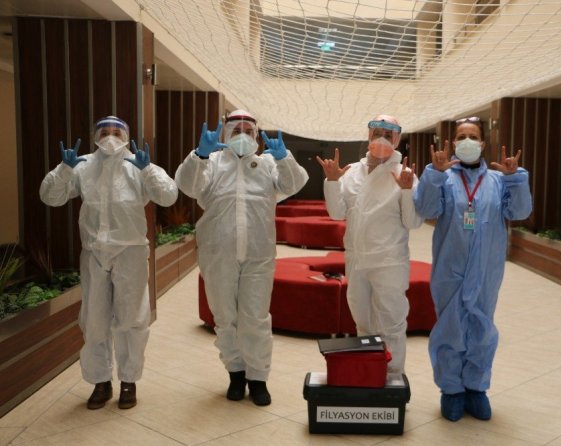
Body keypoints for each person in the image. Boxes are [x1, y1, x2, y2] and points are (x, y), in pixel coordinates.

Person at [40, 116, 178, 410]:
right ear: (95, 135)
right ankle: (100, 381)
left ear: (126, 136)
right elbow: (50, 197)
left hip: (130, 252)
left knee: (132, 318)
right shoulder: (83, 166)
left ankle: (129, 380)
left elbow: (168, 196)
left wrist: (148, 170)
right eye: (105, 131)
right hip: (94, 252)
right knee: (94, 319)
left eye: (117, 132)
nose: (111, 136)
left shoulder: (137, 164)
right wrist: (64, 169)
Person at [175, 109, 308, 406]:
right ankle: (236, 373)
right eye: (237, 131)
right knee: (225, 317)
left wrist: (285, 158)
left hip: (259, 255)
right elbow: (187, 185)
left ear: (257, 136)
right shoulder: (211, 163)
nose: (243, 136)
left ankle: (258, 377)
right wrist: (199, 155)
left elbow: (293, 184)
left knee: (255, 318)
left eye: (249, 131)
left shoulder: (267, 164)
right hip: (218, 253)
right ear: (225, 133)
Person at [413, 116, 532, 422]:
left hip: (486, 270)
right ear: (453, 143)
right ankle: (452, 390)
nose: (467, 141)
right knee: (450, 327)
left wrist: (516, 179)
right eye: (461, 136)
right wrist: (433, 175)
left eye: (473, 137)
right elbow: (425, 209)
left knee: (482, 328)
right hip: (450, 268)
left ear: (482, 143)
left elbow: (520, 211)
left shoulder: (498, 180)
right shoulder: (443, 178)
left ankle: (476, 388)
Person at [317, 114, 423, 375]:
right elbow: (337, 214)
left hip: (389, 261)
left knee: (392, 324)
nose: (382, 139)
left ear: (397, 139)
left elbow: (412, 222)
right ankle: (370, 376)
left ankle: (393, 379)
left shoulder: (405, 175)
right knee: (362, 323)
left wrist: (406, 191)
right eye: (377, 133)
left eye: (388, 135)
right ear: (368, 135)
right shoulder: (352, 172)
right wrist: (332, 181)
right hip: (356, 260)